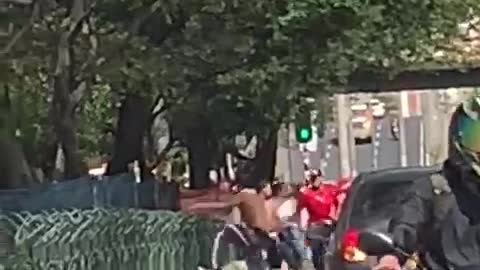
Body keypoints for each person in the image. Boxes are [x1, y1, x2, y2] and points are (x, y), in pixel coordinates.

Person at [375, 97, 480, 270]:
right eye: (476, 138)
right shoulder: (435, 188)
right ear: (457, 137)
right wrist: (391, 258)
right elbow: (406, 225)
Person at [297, 169, 338, 270]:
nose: (314, 180)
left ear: (321, 177)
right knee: (316, 253)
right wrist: (301, 226)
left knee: (328, 252)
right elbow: (300, 210)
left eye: (316, 177)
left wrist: (336, 218)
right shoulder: (306, 194)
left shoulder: (330, 190)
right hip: (314, 226)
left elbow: (338, 203)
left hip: (328, 225)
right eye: (312, 178)